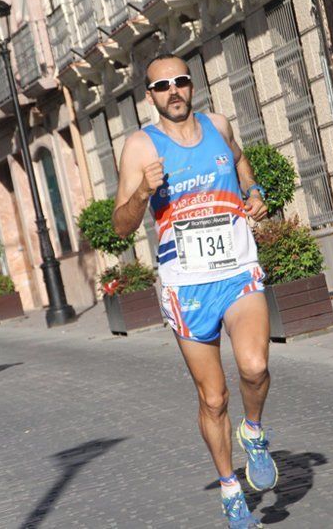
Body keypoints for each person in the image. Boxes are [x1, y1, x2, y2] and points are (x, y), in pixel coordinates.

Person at [113, 54, 276, 529]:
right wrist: (143, 192)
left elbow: (242, 161)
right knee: (213, 399)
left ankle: (255, 432)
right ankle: (230, 490)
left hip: (237, 268)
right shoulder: (141, 148)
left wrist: (255, 191)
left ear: (192, 85)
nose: (174, 91)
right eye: (162, 86)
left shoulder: (219, 125)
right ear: (150, 96)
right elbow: (120, 226)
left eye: (181, 81)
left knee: (255, 365)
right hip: (186, 285)